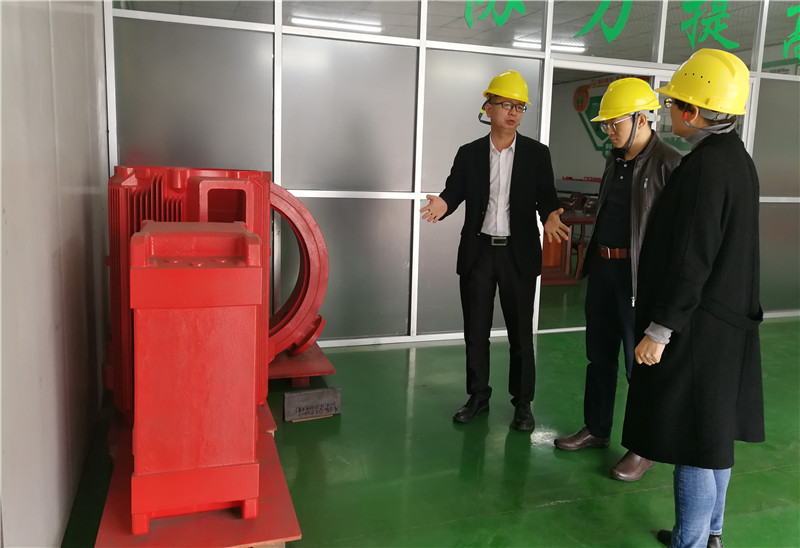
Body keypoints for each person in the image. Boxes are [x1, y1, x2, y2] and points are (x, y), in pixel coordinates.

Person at [621, 49, 764, 548]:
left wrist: (660, 331)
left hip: (698, 328)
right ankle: (711, 533)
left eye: (674, 104)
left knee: (693, 443)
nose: (669, 112)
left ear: (694, 112)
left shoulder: (705, 167)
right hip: (726, 324)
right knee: (713, 435)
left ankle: (691, 542)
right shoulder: (736, 159)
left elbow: (693, 258)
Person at [420, 70, 569, 431]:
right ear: (488, 108)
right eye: (506, 104)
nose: (513, 112)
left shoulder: (536, 154)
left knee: (520, 335)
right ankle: (478, 396)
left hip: (518, 254)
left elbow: (546, 197)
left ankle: (523, 404)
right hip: (480, 253)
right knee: (476, 331)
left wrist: (550, 215)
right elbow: (454, 190)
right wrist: (443, 204)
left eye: (519, 106)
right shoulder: (469, 153)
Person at [554, 78, 681, 482]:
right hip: (604, 271)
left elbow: (676, 236)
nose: (608, 131)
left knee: (638, 366)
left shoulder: (670, 163)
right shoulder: (616, 159)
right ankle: (597, 428)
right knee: (599, 357)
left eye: (614, 123)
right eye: (606, 124)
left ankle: (644, 447)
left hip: (638, 280)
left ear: (642, 119)